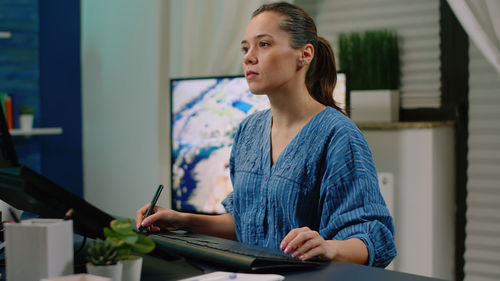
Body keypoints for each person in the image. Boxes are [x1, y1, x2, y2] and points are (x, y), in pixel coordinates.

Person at [136, 2, 396, 268]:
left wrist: (328, 247)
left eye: (264, 44)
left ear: (304, 54)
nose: (248, 57)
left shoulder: (338, 135)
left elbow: (376, 240)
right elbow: (247, 223)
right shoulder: (248, 130)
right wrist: (181, 220)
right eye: (245, 47)